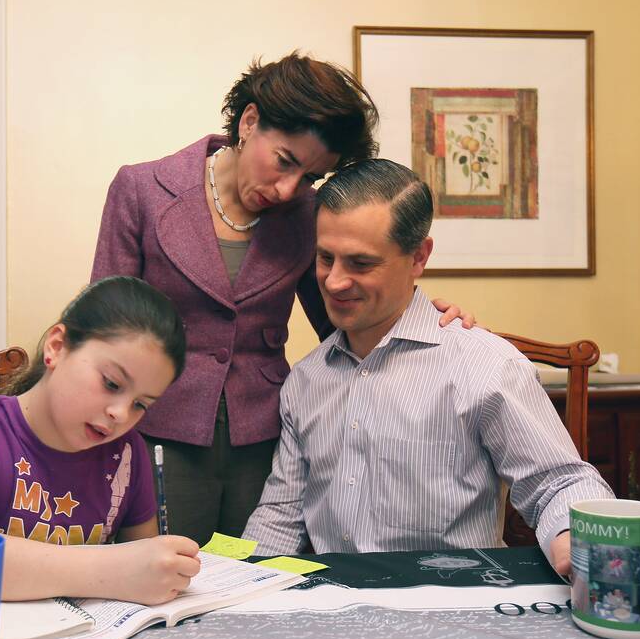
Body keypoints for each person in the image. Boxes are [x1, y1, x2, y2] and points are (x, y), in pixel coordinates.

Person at [241, 158, 640, 602]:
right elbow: (281, 513)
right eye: (325, 258)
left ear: (419, 257)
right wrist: (234, 589)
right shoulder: (306, 379)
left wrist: (589, 540)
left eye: (361, 263)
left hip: (455, 605)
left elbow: (558, 482)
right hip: (334, 610)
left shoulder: (484, 365)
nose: (335, 281)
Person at [91, 52, 474, 546]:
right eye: (285, 162)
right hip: (157, 428)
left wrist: (419, 316)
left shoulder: (308, 214)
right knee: (164, 574)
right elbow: (103, 328)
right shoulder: (142, 189)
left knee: (262, 576)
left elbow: (345, 318)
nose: (290, 189)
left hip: (266, 437)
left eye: (310, 177)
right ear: (249, 122)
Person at [0, 276, 202, 605]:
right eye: (112, 383)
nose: (121, 413)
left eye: (141, 404)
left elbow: (147, 570)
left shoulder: (127, 454)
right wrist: (115, 570)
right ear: (57, 347)